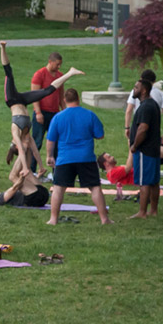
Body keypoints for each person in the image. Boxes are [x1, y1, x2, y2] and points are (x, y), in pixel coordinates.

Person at [0, 42, 81, 173]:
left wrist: (25, 168)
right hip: (24, 102)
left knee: (9, 72)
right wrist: (42, 166)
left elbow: (21, 149)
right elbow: (35, 150)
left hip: (12, 100)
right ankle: (70, 73)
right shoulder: (26, 134)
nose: (24, 145)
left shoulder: (15, 132)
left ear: (14, 142)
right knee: (47, 91)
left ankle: (2, 48)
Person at [44, 86, 110, 225]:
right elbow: (100, 135)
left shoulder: (58, 117)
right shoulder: (89, 115)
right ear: (78, 99)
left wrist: (49, 156)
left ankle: (53, 219)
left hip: (64, 158)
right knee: (95, 187)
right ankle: (104, 219)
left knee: (58, 188)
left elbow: (51, 140)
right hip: (86, 157)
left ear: (64, 100)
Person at [127, 76, 163, 219]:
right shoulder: (153, 104)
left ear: (144, 90)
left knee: (144, 183)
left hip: (144, 150)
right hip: (154, 149)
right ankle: (153, 210)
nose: (134, 90)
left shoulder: (146, 107)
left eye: (136, 87)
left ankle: (142, 212)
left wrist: (135, 145)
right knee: (154, 182)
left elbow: (143, 128)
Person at [29, 53, 66, 174]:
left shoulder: (60, 76)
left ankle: (56, 171)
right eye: (57, 64)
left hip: (55, 113)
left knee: (56, 143)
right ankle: (32, 169)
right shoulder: (39, 74)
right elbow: (34, 96)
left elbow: (61, 96)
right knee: (37, 142)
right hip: (42, 112)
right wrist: (38, 112)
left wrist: (64, 111)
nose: (59, 67)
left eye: (60, 64)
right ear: (50, 62)